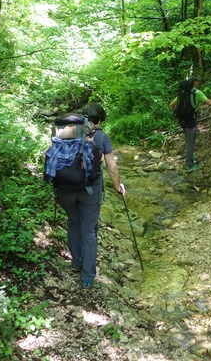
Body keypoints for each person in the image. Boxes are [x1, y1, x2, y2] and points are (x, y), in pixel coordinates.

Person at [55, 102, 125, 290]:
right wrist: (118, 188)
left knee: (73, 222)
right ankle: (87, 277)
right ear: (100, 120)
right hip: (90, 191)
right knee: (88, 230)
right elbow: (113, 168)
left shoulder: (66, 131)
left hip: (65, 189)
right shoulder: (101, 137)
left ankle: (76, 262)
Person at [169, 77, 211, 172]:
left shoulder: (181, 93)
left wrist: (176, 113)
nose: (199, 84)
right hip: (191, 120)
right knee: (191, 142)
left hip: (181, 120)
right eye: (198, 82)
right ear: (194, 83)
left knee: (188, 139)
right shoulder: (197, 93)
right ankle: (189, 165)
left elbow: (171, 105)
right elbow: (209, 102)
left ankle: (190, 156)